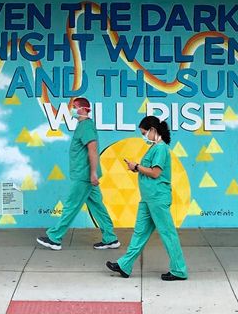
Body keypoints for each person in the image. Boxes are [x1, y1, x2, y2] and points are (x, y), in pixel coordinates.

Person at [105, 115, 187, 281]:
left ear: (153, 130)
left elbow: (156, 173)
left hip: (157, 198)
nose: (143, 136)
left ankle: (179, 270)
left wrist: (136, 166)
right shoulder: (154, 147)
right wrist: (137, 168)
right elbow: (149, 169)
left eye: (144, 132)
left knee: (167, 233)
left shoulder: (161, 149)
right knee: (139, 232)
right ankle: (124, 265)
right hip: (148, 198)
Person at [37, 96, 119, 250]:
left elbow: (92, 149)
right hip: (86, 175)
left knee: (71, 206)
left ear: (82, 109)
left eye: (74, 107)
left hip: (84, 176)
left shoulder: (86, 126)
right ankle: (110, 238)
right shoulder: (84, 126)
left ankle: (55, 238)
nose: (71, 110)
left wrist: (93, 173)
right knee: (97, 206)